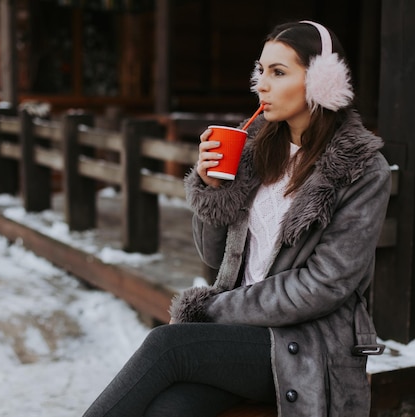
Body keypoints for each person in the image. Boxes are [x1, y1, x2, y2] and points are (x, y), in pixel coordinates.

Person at [82, 20, 391, 417]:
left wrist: (217, 310)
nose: (261, 84)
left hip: (308, 345)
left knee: (167, 345)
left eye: (278, 73)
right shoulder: (256, 151)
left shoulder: (362, 170)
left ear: (322, 81)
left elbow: (324, 285)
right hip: (239, 336)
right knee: (171, 410)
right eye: (260, 70)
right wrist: (213, 189)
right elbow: (214, 257)